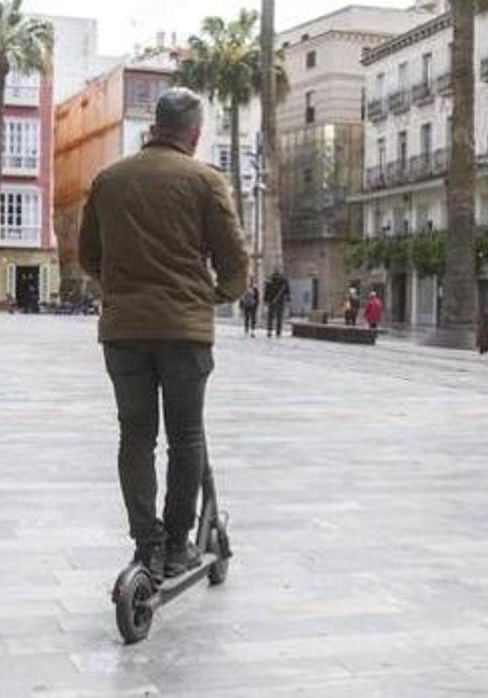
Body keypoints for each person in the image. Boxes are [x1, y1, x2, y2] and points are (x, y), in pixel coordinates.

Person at [78, 87, 248, 581]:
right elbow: (234, 261)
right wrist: (216, 295)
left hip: (124, 330)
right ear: (193, 134)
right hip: (184, 332)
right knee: (186, 436)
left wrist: (121, 285)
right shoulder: (204, 181)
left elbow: (90, 255)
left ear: (154, 126)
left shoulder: (109, 180)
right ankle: (177, 545)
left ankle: (144, 543)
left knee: (135, 436)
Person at [263, 270, 289, 338]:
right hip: (280, 301)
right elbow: (287, 291)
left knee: (271, 317)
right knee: (279, 317)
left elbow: (266, 292)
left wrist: (265, 300)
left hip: (272, 301)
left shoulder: (270, 282)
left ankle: (270, 331)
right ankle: (278, 332)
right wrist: (288, 298)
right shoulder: (283, 282)